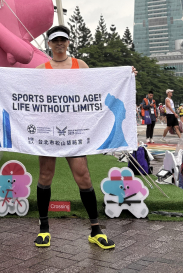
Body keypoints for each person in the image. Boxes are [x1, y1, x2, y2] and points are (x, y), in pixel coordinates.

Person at [34, 24, 138, 250]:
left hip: (75, 129)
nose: (59, 43)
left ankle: (96, 230)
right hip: (48, 129)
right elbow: (19, 88)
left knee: (83, 177)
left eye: (63, 39)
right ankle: (44, 229)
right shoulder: (42, 69)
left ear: (68, 42)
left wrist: (126, 75)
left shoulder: (80, 65)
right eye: (55, 40)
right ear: (49, 44)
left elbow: (99, 86)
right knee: (45, 175)